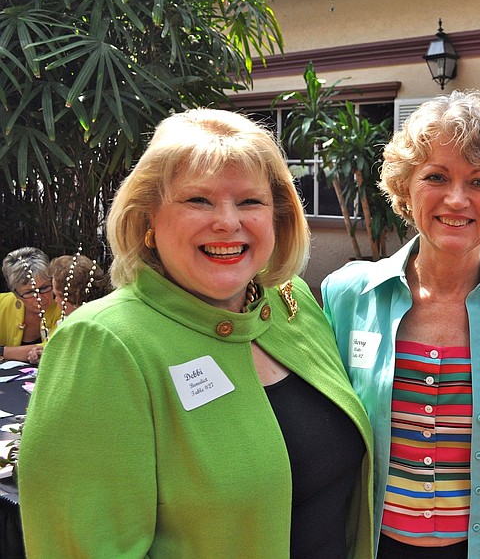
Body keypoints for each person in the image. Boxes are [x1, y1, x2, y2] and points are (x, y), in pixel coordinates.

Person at [18, 108, 374, 558]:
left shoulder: (292, 302)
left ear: (277, 216)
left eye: (250, 201)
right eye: (198, 201)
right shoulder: (103, 344)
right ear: (149, 218)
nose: (228, 222)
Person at [321, 90, 480, 559]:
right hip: (371, 545)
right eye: (436, 177)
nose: (457, 200)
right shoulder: (346, 297)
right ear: (405, 188)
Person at [26, 252, 111, 363]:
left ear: (74, 296)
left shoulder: (90, 329)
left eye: (56, 295)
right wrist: (46, 354)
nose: (55, 300)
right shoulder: (70, 321)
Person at [0, 247, 61, 364]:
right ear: (16, 294)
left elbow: (52, 348)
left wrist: (2, 351)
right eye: (29, 292)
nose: (39, 297)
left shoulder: (64, 308)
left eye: (44, 288)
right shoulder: (3, 304)